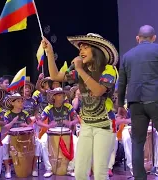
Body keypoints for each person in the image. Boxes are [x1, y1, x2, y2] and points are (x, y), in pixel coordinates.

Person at [42, 33, 119, 179]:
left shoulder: (108, 69)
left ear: (96, 50)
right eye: (80, 48)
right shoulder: (81, 72)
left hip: (104, 125)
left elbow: (98, 91)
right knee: (80, 171)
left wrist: (80, 70)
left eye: (85, 48)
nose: (81, 52)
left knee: (100, 172)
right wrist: (50, 53)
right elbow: (55, 76)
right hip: (86, 125)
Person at [117, 25, 158, 180]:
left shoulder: (127, 56)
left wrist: (120, 104)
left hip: (136, 103)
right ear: (154, 38)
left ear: (137, 38)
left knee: (137, 143)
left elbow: (121, 84)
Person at [36, 87, 79, 177]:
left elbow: (76, 119)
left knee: (77, 142)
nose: (62, 97)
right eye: (59, 95)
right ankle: (49, 169)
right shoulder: (48, 108)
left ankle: (70, 168)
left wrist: (70, 122)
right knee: (43, 143)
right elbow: (38, 121)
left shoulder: (68, 107)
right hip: (51, 134)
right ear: (54, 97)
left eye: (63, 95)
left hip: (67, 133)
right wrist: (48, 126)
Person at [2, 93, 39, 178]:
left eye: (22, 101)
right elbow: (5, 127)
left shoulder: (25, 113)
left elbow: (31, 126)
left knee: (38, 143)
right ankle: (8, 169)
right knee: (4, 144)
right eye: (19, 101)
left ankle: (34, 168)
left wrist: (26, 126)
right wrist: (13, 122)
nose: (21, 103)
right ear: (12, 103)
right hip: (11, 135)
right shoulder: (8, 114)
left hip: (25, 135)